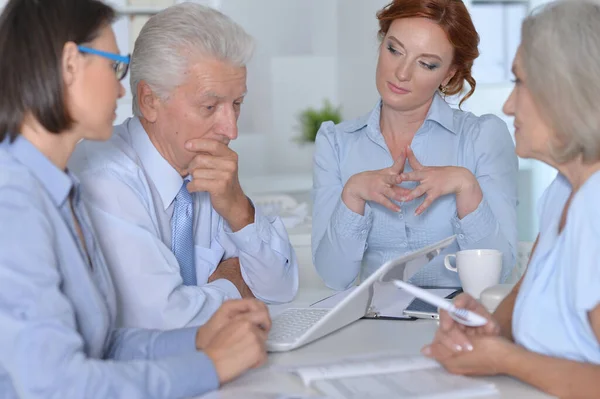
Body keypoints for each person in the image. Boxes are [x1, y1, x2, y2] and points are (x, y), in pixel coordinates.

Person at [0, 1, 271, 397]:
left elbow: (100, 344)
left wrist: (197, 339)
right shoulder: (13, 203)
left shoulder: (61, 191)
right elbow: (56, 385)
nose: (121, 87)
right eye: (114, 66)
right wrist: (209, 366)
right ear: (71, 64)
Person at [70, 3, 299, 329]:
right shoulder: (104, 179)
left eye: (237, 104)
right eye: (210, 106)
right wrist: (234, 284)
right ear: (150, 101)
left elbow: (280, 288)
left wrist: (239, 210)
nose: (231, 130)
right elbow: (164, 321)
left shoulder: (209, 170)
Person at [424, 1, 600, 397]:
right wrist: (486, 327)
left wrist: (502, 358)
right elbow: (525, 295)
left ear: (566, 91)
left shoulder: (595, 206)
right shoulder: (563, 191)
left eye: (519, 83)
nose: (507, 105)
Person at [311, 0, 518, 291]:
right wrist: (352, 196)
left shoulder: (482, 137)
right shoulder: (336, 143)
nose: (402, 73)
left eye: (427, 63)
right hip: (372, 330)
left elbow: (501, 273)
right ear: (382, 42)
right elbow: (334, 277)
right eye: (394, 50)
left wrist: (466, 187)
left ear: (449, 74)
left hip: (457, 325)